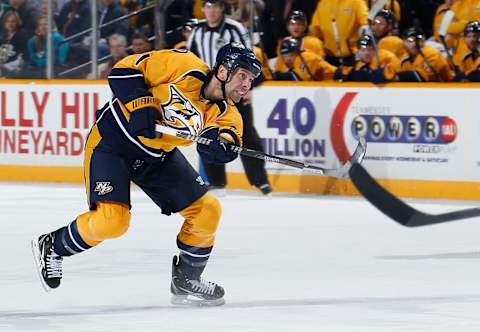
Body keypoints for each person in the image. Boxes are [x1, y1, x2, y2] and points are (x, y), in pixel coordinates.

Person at [31, 42, 263, 307]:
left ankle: (187, 277)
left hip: (156, 157)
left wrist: (218, 146)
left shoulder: (229, 114)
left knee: (208, 209)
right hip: (113, 143)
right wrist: (141, 104)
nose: (247, 84)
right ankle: (53, 245)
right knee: (112, 222)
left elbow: (226, 140)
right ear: (223, 70)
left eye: (251, 79)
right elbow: (122, 72)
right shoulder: (184, 66)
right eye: (243, 75)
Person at [188, 0, 272, 195]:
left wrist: (248, 88)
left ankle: (260, 180)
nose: (211, 11)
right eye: (207, 6)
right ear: (203, 9)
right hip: (212, 91)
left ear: (221, 9)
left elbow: (250, 60)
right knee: (208, 133)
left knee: (246, 134)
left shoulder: (235, 29)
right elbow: (191, 58)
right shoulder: (197, 31)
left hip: (236, 90)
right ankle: (216, 182)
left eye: (215, 6)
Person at [309, 0, 369, 66]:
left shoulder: (356, 2)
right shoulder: (322, 4)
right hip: (329, 57)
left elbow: (365, 22)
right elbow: (315, 30)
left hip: (352, 56)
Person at [334, 34, 400, 83]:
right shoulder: (360, 63)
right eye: (363, 50)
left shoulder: (386, 57)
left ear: (375, 50)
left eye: (370, 49)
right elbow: (338, 75)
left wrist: (352, 74)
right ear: (358, 51)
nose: (366, 53)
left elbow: (380, 77)